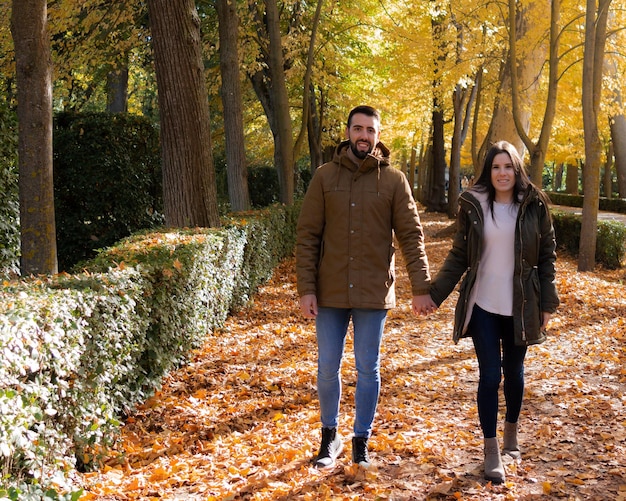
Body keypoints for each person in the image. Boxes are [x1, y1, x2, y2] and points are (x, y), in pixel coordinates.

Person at [296, 105, 437, 469]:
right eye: (357, 129)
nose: (363, 135)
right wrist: (306, 288)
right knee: (327, 367)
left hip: (374, 292)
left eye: (370, 130)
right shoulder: (325, 177)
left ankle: (361, 439)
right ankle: (330, 438)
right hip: (329, 292)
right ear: (348, 132)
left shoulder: (394, 180)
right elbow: (308, 235)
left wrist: (421, 287)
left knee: (367, 368)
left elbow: (411, 235)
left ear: (378, 135)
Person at [429, 141, 559, 484]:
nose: (503, 173)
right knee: (490, 376)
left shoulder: (534, 206)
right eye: (496, 167)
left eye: (509, 167)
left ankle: (511, 435)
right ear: (488, 171)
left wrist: (548, 304)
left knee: (514, 373)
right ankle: (491, 451)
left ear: (517, 170)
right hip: (484, 304)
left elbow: (547, 257)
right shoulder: (474, 204)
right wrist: (434, 295)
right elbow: (459, 255)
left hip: (521, 305)